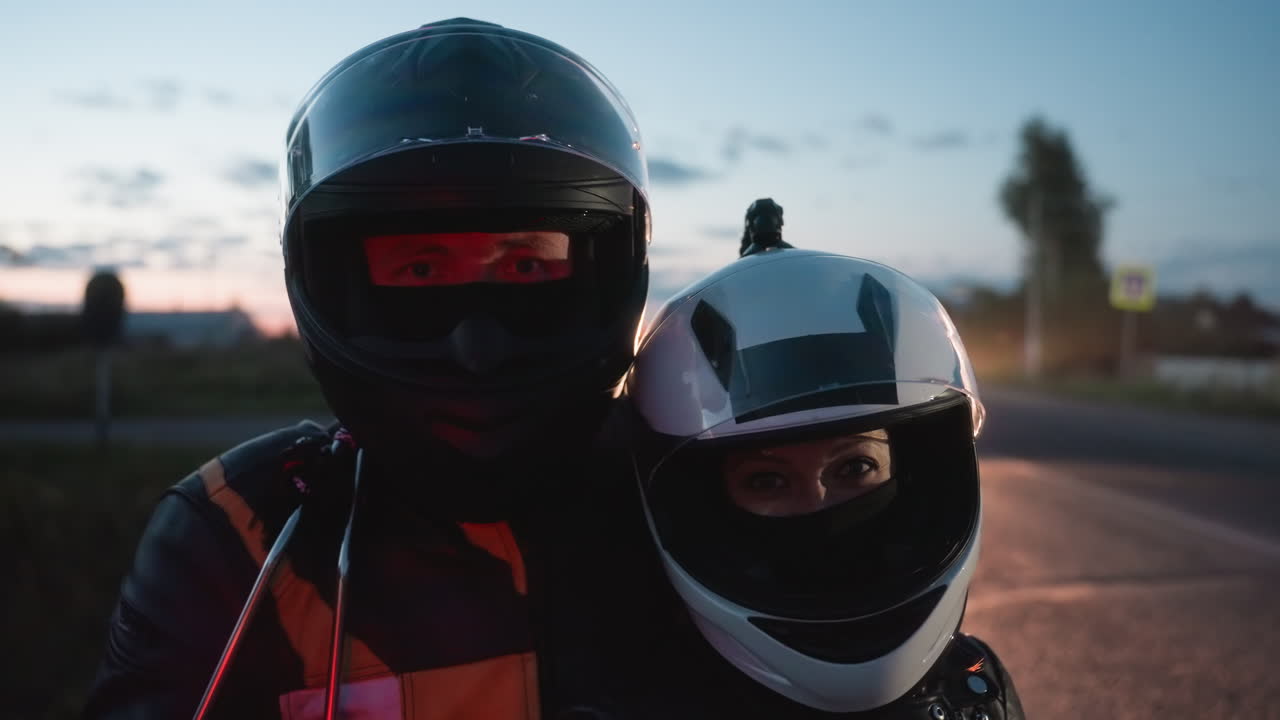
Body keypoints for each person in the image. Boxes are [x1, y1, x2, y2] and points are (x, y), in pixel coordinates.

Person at [85, 18, 652, 718]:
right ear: (331, 283)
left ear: (607, 271)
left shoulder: (696, 488)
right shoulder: (241, 537)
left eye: (525, 266)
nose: (476, 346)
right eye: (421, 271)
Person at [620, 245, 1027, 718]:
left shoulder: (973, 688)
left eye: (854, 468)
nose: (817, 502)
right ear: (702, 506)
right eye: (767, 481)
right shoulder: (632, 697)